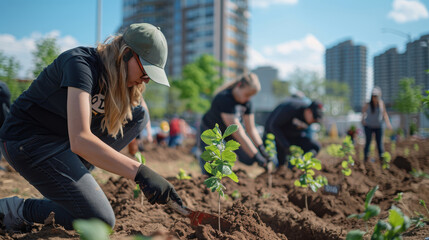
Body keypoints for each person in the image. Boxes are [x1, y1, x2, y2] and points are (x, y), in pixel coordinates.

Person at [0, 23, 183, 232]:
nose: (147, 79)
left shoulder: (124, 82)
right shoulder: (80, 64)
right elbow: (80, 139)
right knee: (100, 221)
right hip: (27, 141)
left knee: (139, 115)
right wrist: (140, 172)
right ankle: (14, 210)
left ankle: (66, 189)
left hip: (61, 144)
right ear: (126, 54)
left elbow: (140, 108)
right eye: (145, 70)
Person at [197, 73, 270, 174]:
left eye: (251, 96)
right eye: (247, 94)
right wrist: (257, 156)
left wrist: (262, 150)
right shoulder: (224, 98)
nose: (248, 99)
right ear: (239, 85)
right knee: (213, 164)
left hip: (229, 134)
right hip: (211, 131)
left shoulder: (247, 103)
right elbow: (237, 131)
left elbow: (251, 129)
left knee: (249, 158)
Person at [263, 98, 323, 170]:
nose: (314, 121)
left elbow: (307, 135)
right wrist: (285, 145)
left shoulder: (309, 121)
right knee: (280, 161)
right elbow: (273, 125)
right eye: (314, 118)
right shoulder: (292, 108)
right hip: (277, 135)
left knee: (315, 147)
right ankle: (279, 169)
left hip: (293, 136)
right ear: (308, 111)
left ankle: (299, 167)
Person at [361, 86, 392, 162]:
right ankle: (365, 160)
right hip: (368, 126)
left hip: (378, 126)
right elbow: (363, 112)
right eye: (373, 96)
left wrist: (388, 124)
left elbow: (384, 114)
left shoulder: (381, 103)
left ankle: (382, 161)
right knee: (368, 142)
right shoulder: (368, 104)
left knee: (379, 144)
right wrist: (362, 120)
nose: (374, 97)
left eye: (376, 96)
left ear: (379, 96)